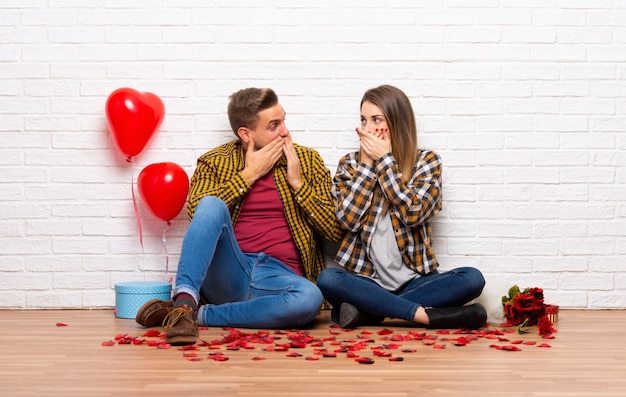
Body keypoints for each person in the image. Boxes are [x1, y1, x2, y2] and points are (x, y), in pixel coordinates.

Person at [135, 87, 343, 345]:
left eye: (284, 121)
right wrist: (248, 175)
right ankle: (184, 301)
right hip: (230, 271)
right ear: (246, 133)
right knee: (211, 204)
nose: (285, 132)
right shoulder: (215, 162)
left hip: (281, 279)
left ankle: (194, 314)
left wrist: (299, 185)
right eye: (274, 125)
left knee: (310, 299)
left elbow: (336, 232)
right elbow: (198, 213)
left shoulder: (307, 160)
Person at [316, 85, 487, 329]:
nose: (366, 129)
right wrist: (366, 167)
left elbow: (413, 213)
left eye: (376, 120)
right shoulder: (350, 164)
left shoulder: (426, 161)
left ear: (397, 122)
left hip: (416, 282)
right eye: (363, 120)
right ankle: (424, 316)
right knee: (328, 278)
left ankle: (370, 312)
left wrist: (386, 161)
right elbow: (347, 220)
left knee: (472, 278)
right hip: (367, 281)